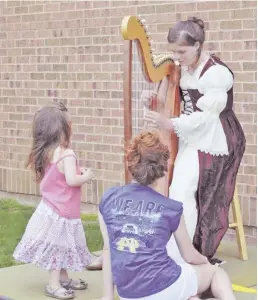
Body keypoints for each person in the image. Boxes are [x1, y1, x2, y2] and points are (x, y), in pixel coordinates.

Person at [144, 17, 246, 265]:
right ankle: (180, 249)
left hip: (217, 139)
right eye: (173, 52)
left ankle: (187, 252)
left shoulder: (217, 73)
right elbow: (180, 102)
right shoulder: (183, 69)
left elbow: (207, 117)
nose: (177, 57)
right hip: (192, 134)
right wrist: (155, 100)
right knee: (178, 188)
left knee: (181, 188)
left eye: (182, 51)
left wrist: (171, 124)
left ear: (198, 45)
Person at [98, 130, 236, 300]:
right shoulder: (171, 208)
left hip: (128, 294)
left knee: (189, 291)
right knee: (215, 273)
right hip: (163, 284)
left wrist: (107, 296)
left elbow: (108, 250)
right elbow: (190, 256)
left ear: (130, 163)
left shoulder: (108, 198)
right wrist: (205, 262)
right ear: (162, 169)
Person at [13, 102, 94, 300]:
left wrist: (76, 169)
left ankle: (64, 278)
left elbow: (58, 175)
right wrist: (87, 175)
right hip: (62, 212)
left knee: (63, 245)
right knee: (59, 248)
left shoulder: (46, 153)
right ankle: (54, 284)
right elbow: (71, 180)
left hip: (50, 209)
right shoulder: (67, 154)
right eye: (69, 123)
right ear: (62, 129)